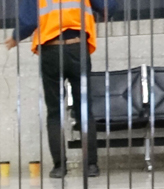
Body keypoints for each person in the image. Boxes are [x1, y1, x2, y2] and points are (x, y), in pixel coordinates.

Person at [7, 0, 115, 178]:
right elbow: (108, 6)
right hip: (77, 48)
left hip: (50, 51)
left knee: (55, 112)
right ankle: (91, 165)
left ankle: (59, 167)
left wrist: (15, 37)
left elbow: (29, 21)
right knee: (84, 109)